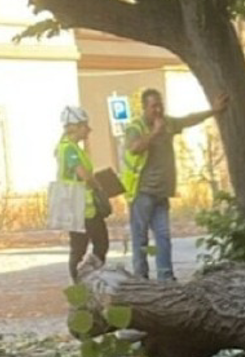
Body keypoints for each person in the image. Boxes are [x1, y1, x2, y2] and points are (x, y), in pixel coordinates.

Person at [122, 88, 226, 280]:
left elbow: (189, 119)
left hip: (162, 192)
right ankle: (141, 277)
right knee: (141, 238)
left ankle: (166, 277)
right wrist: (155, 132)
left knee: (163, 236)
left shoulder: (168, 123)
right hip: (142, 192)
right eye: (154, 106)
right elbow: (134, 148)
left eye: (160, 105)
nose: (158, 110)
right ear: (144, 107)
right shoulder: (136, 127)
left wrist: (213, 110)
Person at [57, 106, 109, 282]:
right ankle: (86, 281)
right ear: (76, 127)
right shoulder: (69, 149)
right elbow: (83, 175)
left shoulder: (70, 147)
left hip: (78, 205)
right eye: (85, 125)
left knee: (81, 247)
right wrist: (99, 187)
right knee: (92, 245)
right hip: (80, 206)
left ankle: (85, 281)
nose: (88, 129)